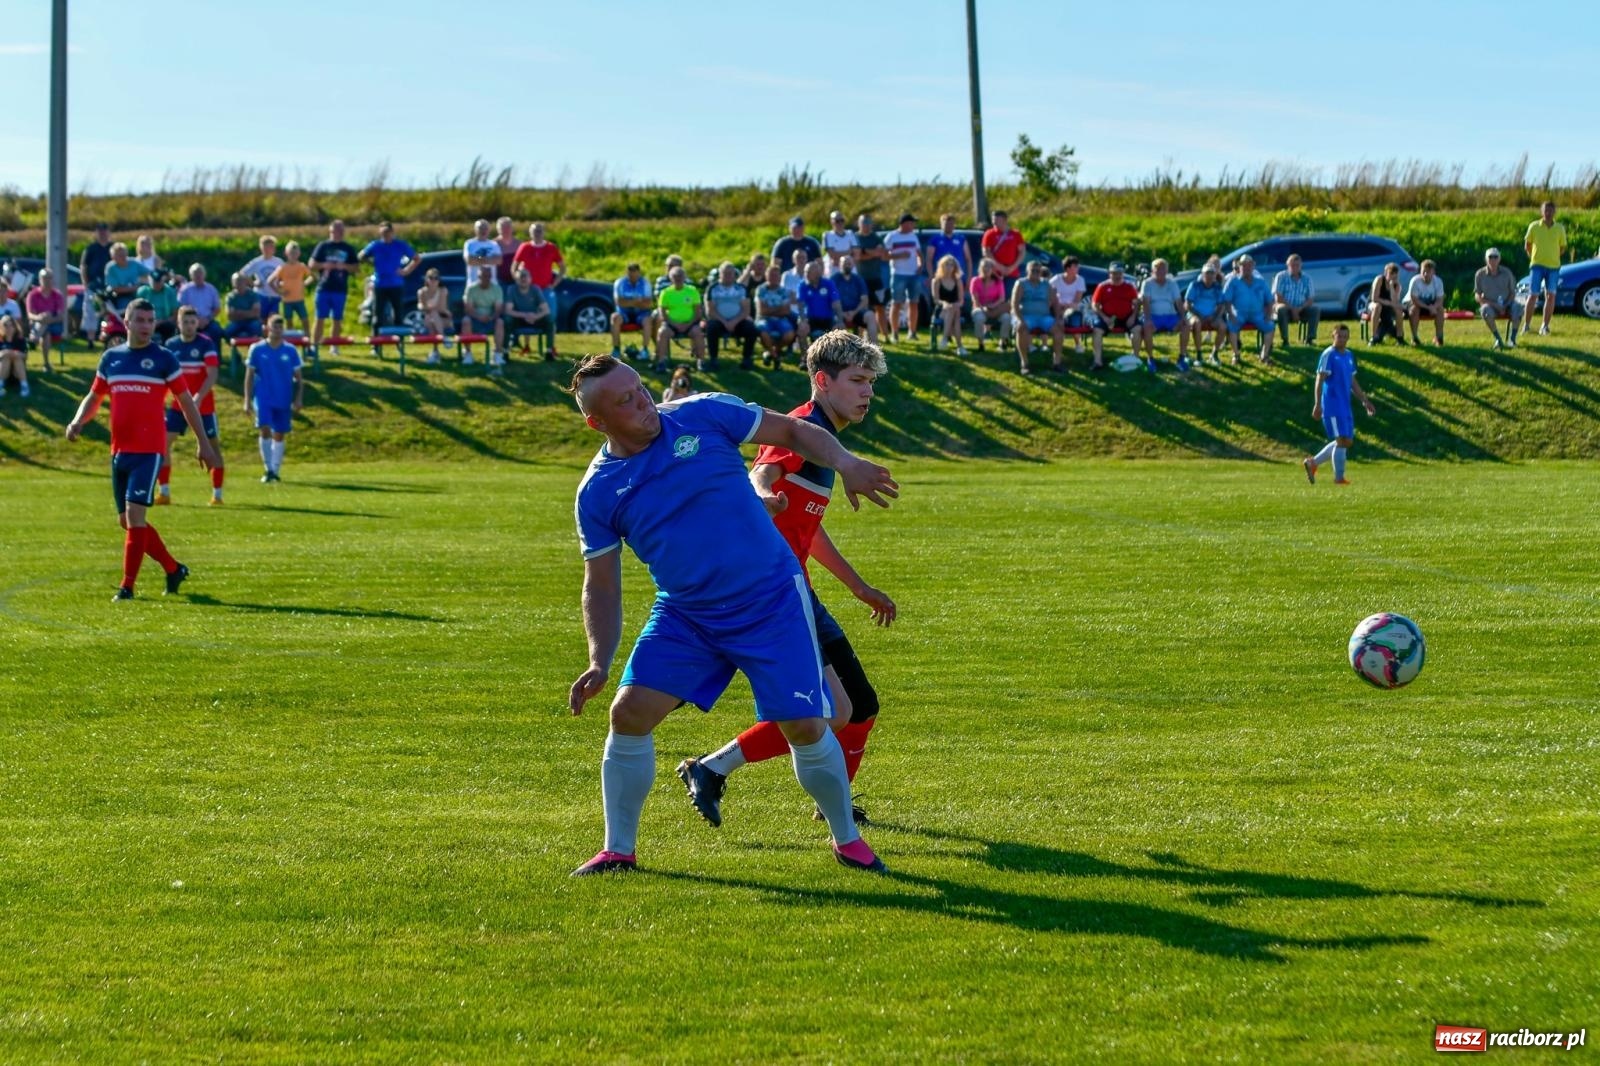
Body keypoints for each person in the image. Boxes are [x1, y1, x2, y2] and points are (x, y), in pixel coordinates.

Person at [564, 353, 898, 876]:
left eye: (641, 389)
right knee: (627, 713)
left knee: (807, 725)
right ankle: (617, 851)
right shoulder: (598, 491)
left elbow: (792, 431)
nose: (643, 403)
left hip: (771, 600)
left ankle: (847, 840)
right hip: (687, 614)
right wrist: (598, 660)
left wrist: (848, 464)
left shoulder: (702, 413)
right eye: (625, 400)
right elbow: (601, 584)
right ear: (597, 421)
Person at [678, 331, 896, 829]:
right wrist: (760, 496)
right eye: (858, 380)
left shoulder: (825, 440)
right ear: (822, 380)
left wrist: (859, 587)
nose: (867, 392)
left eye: (871, 383)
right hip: (774, 594)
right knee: (834, 711)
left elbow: (808, 531)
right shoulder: (801, 427)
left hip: (800, 590)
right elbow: (763, 474)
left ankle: (829, 802)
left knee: (859, 707)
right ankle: (714, 769)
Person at [64, 299, 220, 601]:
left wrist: (202, 442)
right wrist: (77, 420)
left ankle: (127, 587)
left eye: (150, 320)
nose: (147, 326)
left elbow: (186, 402)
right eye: (140, 320)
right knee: (126, 521)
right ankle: (174, 569)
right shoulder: (111, 359)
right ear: (127, 322)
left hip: (149, 451)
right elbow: (94, 396)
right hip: (119, 451)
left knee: (135, 517)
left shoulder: (163, 359)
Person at [156, 306, 226, 506]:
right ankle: (165, 492)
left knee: (213, 449)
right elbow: (164, 377)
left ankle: (217, 495)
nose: (189, 326)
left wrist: (199, 397)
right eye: (185, 322)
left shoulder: (206, 344)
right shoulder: (171, 345)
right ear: (178, 323)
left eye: (192, 322)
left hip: (203, 407)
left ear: (198, 324)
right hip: (178, 407)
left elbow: (212, 374)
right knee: (163, 444)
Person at [1302, 323, 1376, 487]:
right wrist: (1317, 404)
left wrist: (1364, 400)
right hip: (1332, 405)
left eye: (1344, 336)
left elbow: (1352, 381)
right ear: (1333, 336)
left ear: (1348, 337)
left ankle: (1313, 463)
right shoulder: (1328, 355)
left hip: (1345, 405)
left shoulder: (1349, 355)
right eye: (1338, 336)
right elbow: (1319, 379)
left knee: (1347, 441)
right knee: (1341, 439)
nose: (1342, 339)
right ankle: (1339, 478)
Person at [241, 315, 304, 483]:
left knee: (280, 433)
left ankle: (276, 469)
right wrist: (247, 400)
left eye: (280, 327)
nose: (277, 330)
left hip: (283, 397)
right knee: (265, 428)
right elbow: (249, 376)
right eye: (274, 327)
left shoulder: (290, 350)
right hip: (264, 397)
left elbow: (299, 378)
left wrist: (298, 398)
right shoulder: (257, 349)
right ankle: (268, 468)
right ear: (267, 328)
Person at [309, 219, 360, 355]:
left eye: (340, 231)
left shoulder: (348, 248)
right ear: (330, 231)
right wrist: (325, 265)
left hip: (340, 288)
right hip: (324, 287)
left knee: (337, 319)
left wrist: (344, 266)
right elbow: (312, 264)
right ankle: (314, 346)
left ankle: (334, 346)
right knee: (320, 317)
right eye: (335, 231)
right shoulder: (323, 246)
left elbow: (356, 267)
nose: (337, 233)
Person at [358, 222, 419, 329]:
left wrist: (406, 271)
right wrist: (371, 262)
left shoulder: (400, 245)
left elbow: (416, 258)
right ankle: (376, 342)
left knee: (398, 314)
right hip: (380, 283)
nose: (385, 235)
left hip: (396, 283)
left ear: (392, 232)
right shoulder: (375, 245)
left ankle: (399, 341)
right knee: (378, 315)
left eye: (387, 233)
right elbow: (361, 256)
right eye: (383, 233)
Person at [1521, 200, 1567, 338]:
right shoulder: (1534, 226)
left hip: (1554, 267)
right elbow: (1527, 245)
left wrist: (1552, 257)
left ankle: (1545, 326)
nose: (1548, 213)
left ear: (1554, 212)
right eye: (1546, 210)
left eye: (1551, 211)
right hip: (1537, 266)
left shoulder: (1559, 228)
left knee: (1551, 295)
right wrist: (1535, 257)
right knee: (1533, 294)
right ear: (1542, 212)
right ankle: (1526, 325)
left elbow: (1562, 247)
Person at [1012, 259, 1064, 374]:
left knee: (1058, 330)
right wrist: (1020, 320)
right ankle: (1024, 362)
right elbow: (1014, 303)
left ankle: (1057, 362)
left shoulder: (1046, 284)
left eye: (1038, 270)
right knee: (1022, 329)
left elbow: (1055, 302)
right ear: (1027, 271)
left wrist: (1058, 318)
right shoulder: (1021, 283)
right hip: (1027, 316)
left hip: (1044, 317)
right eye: (1033, 270)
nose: (1035, 272)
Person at [511, 222, 565, 328]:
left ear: (544, 232)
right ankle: (526, 343)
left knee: (550, 316)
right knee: (527, 316)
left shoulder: (551, 248)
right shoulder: (524, 247)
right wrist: (519, 282)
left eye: (539, 231)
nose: (537, 233)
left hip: (545, 288)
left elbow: (562, 268)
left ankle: (550, 343)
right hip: (529, 290)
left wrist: (554, 284)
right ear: (530, 233)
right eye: (534, 231)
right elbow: (514, 267)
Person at [704, 262, 757, 370]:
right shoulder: (712, 289)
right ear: (720, 274)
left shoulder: (741, 289)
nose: (728, 276)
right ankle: (713, 359)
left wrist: (734, 321)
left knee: (751, 329)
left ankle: (747, 359)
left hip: (738, 321)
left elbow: (746, 310)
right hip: (719, 321)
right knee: (711, 327)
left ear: (735, 275)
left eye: (731, 273)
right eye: (725, 273)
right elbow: (711, 311)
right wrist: (725, 322)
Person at [1138, 258, 1187, 372]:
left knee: (1186, 326)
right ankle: (1150, 358)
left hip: (1171, 316)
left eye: (1163, 270)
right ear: (1152, 271)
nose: (1160, 272)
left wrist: (1183, 317)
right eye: (1157, 270)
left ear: (1167, 271)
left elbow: (1179, 302)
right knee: (1147, 327)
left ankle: (1182, 357)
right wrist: (1148, 319)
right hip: (1154, 316)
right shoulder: (1147, 283)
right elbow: (1146, 302)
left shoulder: (1172, 283)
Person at [1223, 254, 1274, 363]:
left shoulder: (1260, 282)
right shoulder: (1233, 282)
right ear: (1239, 267)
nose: (1247, 268)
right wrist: (1231, 314)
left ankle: (1264, 355)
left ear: (1253, 266)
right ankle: (1236, 355)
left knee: (1270, 326)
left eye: (1249, 265)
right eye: (1244, 266)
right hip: (1239, 313)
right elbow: (1226, 300)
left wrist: (1269, 315)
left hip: (1258, 314)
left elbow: (1269, 300)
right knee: (1231, 325)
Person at [1090, 262, 1139, 371]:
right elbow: (1094, 304)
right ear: (1109, 274)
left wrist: (1133, 316)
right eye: (1114, 273)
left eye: (1119, 273)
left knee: (1137, 329)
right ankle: (1097, 361)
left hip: (1126, 316)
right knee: (1097, 330)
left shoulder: (1129, 286)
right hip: (1107, 316)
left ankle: (1136, 358)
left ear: (1123, 274)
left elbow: (1136, 303)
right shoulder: (1102, 286)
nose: (1117, 276)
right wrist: (1104, 317)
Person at [654, 266, 704, 371]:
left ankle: (701, 361)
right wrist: (674, 323)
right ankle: (661, 362)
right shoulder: (666, 293)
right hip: (671, 324)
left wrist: (689, 323)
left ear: (685, 277)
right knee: (662, 332)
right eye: (675, 277)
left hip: (690, 324)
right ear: (670, 278)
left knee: (698, 332)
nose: (678, 279)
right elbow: (662, 312)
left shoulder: (692, 291)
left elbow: (698, 311)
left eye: (680, 276)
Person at [884, 213, 924, 343]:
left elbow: (919, 253)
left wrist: (920, 265)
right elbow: (884, 256)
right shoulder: (892, 237)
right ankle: (894, 333)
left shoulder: (913, 236)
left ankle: (912, 332)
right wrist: (899, 255)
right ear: (904, 223)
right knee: (896, 303)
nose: (913, 225)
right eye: (912, 223)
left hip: (913, 275)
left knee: (914, 303)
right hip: (898, 274)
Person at [503, 266, 553, 364]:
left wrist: (535, 316)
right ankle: (505, 352)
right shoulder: (511, 289)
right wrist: (525, 315)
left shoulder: (535, 289)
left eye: (526, 277)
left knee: (549, 319)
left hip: (534, 319)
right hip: (519, 319)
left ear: (530, 279)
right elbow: (508, 310)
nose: (523, 279)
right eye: (521, 277)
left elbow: (546, 310)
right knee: (507, 320)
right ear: (516, 279)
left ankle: (549, 351)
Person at [853, 213, 892, 339]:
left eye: (868, 223)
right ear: (859, 224)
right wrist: (870, 253)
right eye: (864, 223)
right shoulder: (855, 237)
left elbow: (880, 253)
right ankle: (860, 336)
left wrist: (865, 251)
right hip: (861, 279)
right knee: (862, 307)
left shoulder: (876, 237)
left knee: (880, 306)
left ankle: (885, 334)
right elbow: (857, 255)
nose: (866, 226)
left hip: (876, 278)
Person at [1473, 248, 1521, 349]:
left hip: (1507, 303)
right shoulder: (1480, 274)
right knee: (1485, 310)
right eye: (1490, 257)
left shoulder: (1507, 272)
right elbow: (1477, 295)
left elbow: (1513, 292)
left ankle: (1512, 340)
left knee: (1518, 307)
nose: (1493, 259)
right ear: (1486, 259)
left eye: (1496, 257)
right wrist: (1495, 305)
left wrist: (1505, 305)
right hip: (1490, 305)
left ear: (1499, 259)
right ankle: (1498, 339)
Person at [1272, 253, 1319, 350]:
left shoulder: (1307, 278)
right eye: (1292, 265)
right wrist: (1292, 309)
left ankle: (1309, 339)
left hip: (1301, 308)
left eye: (1297, 265)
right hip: (1284, 306)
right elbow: (1278, 297)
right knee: (1281, 309)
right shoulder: (1281, 276)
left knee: (1315, 309)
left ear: (1301, 265)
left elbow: (1310, 298)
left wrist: (1299, 309)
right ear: (1287, 265)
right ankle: (1285, 340)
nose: (1295, 267)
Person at [755, 264, 798, 369]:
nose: (773, 278)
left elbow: (786, 311)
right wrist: (778, 308)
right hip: (764, 319)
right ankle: (776, 357)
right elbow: (762, 310)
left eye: (776, 275)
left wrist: (770, 309)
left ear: (779, 277)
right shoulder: (761, 290)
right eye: (771, 275)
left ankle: (771, 352)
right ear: (766, 276)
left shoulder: (783, 291)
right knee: (763, 332)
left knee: (789, 335)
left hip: (781, 319)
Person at [462, 266, 506, 368]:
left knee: (500, 322)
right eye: (482, 276)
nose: (485, 279)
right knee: (465, 321)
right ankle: (468, 354)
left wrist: (491, 317)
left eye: (487, 276)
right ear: (478, 276)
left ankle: (498, 354)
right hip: (475, 319)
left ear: (490, 277)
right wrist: (478, 317)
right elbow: (468, 309)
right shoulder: (471, 289)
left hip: (491, 319)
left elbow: (498, 309)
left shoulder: (497, 289)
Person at [1184, 263, 1228, 364]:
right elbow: (1187, 305)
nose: (1209, 276)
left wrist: (1216, 316)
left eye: (1212, 273)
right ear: (1203, 274)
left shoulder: (1217, 287)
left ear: (1214, 275)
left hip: (1212, 315)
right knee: (1197, 323)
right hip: (1195, 314)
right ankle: (1199, 355)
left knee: (1223, 327)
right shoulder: (1194, 285)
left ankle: (1214, 354)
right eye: (1207, 273)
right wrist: (1198, 315)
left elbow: (1221, 305)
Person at [610, 262, 655, 358]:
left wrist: (629, 302)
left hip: (641, 313)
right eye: (630, 275)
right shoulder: (620, 283)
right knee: (615, 318)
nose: (633, 277)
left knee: (648, 320)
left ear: (639, 273)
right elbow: (619, 302)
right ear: (627, 273)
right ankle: (616, 350)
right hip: (624, 312)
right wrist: (637, 301)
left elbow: (648, 304)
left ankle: (645, 350)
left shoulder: (645, 283)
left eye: (635, 274)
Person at [25, 268, 67, 371]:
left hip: (55, 324)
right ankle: (46, 363)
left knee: (47, 319)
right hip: (38, 323)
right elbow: (30, 315)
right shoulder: (33, 295)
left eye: (49, 278)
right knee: (46, 333)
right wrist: (40, 317)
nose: (47, 281)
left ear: (52, 280)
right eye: (44, 278)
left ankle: (33, 339)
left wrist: (47, 318)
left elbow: (60, 316)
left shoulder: (57, 295)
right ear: (39, 279)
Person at [969, 257, 1013, 351]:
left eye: (989, 267)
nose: (986, 269)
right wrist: (983, 307)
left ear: (993, 269)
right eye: (984, 267)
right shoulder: (975, 281)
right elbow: (975, 298)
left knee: (1006, 317)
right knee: (978, 317)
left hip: (996, 308)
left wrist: (993, 306)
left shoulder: (998, 281)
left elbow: (1002, 298)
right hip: (980, 308)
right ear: (980, 268)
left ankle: (1003, 342)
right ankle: (981, 343)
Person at [269, 242, 314, 331]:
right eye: (291, 253)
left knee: (305, 320)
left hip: (299, 299)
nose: (293, 255)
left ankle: (308, 340)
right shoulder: (282, 267)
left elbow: (313, 277)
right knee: (288, 321)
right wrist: (279, 292)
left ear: (299, 254)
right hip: (287, 300)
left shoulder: (302, 266)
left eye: (295, 253)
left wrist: (304, 284)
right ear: (286, 254)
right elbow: (270, 281)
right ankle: (291, 340)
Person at [1048, 256, 1088, 356]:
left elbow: (1077, 299)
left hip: (1073, 307)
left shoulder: (1080, 280)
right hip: (1057, 306)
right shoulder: (1057, 279)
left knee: (1073, 314)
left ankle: (1078, 344)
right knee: (1056, 312)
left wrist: (1067, 306)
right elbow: (1048, 291)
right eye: (1075, 266)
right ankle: (1057, 344)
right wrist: (1058, 304)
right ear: (1068, 268)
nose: (1078, 268)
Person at [797, 260, 842, 346]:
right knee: (802, 328)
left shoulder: (829, 284)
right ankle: (805, 357)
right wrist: (803, 320)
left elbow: (836, 303)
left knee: (839, 329)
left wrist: (840, 320)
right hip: (810, 319)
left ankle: (834, 357)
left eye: (809, 272)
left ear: (817, 272)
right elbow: (800, 305)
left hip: (828, 318)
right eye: (805, 272)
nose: (806, 274)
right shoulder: (803, 285)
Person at [239, 236, 284, 322]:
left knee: (273, 320)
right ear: (262, 248)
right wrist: (253, 283)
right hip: (261, 295)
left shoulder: (279, 262)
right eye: (268, 247)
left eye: (272, 246)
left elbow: (285, 276)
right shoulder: (257, 262)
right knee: (260, 320)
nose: (271, 249)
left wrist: (281, 284)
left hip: (275, 295)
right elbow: (242, 274)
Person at [833, 255, 876, 343]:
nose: (847, 265)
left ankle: (873, 348)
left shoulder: (858, 279)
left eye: (849, 263)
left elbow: (865, 300)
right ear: (839, 265)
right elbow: (831, 300)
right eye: (844, 263)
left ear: (853, 265)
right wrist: (842, 313)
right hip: (839, 313)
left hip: (856, 312)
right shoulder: (833, 280)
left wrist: (854, 312)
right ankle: (841, 351)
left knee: (870, 315)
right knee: (836, 321)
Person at [178, 264, 223, 344]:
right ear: (191, 276)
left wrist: (207, 319)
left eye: (200, 273)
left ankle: (215, 355)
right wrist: (195, 320)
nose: (198, 276)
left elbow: (217, 308)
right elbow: (181, 308)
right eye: (195, 273)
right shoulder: (185, 290)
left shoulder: (211, 289)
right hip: (189, 320)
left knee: (216, 330)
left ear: (204, 274)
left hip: (208, 320)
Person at [930, 254, 967, 355]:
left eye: (951, 265)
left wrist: (956, 305)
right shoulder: (936, 281)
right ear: (942, 266)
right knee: (953, 313)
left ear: (955, 267)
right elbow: (936, 299)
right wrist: (944, 303)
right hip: (941, 309)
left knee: (954, 309)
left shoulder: (957, 281)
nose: (949, 267)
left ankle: (945, 338)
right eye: (947, 265)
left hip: (955, 308)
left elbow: (961, 300)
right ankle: (960, 347)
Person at [1404, 260, 1447, 346]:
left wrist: (1434, 307)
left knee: (1440, 310)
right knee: (1414, 309)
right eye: (1423, 271)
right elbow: (1414, 300)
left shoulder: (1438, 282)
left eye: (1428, 272)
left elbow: (1440, 299)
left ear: (1433, 272)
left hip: (1430, 304)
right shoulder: (1415, 281)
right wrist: (1429, 308)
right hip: (1412, 303)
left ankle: (1439, 337)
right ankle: (1415, 337)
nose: (1425, 274)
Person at [980, 210, 1025, 290]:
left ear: (1005, 220)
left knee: (1010, 298)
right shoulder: (989, 234)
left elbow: (1022, 252)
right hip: (993, 273)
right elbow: (986, 252)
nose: (995, 224)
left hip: (1012, 273)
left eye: (997, 221)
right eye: (993, 221)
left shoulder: (1015, 234)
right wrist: (1000, 267)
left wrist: (1012, 267)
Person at [417, 269, 454, 362]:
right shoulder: (422, 292)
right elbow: (420, 306)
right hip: (429, 320)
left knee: (433, 316)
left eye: (436, 278)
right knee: (431, 319)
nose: (433, 280)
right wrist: (425, 308)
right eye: (431, 278)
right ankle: (443, 338)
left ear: (439, 280)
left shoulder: (443, 291)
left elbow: (442, 308)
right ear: (426, 279)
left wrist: (428, 308)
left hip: (444, 319)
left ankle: (435, 352)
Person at [1366, 263, 1405, 346]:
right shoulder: (1379, 280)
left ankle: (1400, 337)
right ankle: (1374, 336)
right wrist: (1388, 302)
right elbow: (1374, 298)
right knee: (1377, 306)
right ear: (1386, 273)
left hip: (1388, 306)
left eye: (1395, 275)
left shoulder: (1397, 285)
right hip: (1374, 304)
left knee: (1398, 310)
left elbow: (1395, 301)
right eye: (1390, 274)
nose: (1392, 277)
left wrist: (1391, 287)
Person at [135, 269, 180, 341]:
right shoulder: (142, 292)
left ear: (163, 280)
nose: (156, 284)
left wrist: (161, 321)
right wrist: (150, 321)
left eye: (158, 281)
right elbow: (136, 311)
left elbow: (175, 314)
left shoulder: (170, 292)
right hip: (146, 321)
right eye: (154, 282)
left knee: (169, 327)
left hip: (164, 322)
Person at [104, 243, 149, 313]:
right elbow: (116, 289)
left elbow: (149, 273)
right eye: (120, 256)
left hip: (138, 294)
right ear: (113, 257)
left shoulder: (133, 263)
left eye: (124, 254)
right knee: (128, 312)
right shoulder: (110, 268)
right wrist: (134, 288)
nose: (123, 257)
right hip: (121, 297)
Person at [925, 213, 971, 282]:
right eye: (946, 224)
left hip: (959, 277)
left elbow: (968, 259)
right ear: (941, 225)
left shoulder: (961, 239)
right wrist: (931, 275)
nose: (949, 226)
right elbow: (929, 259)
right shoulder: (935, 240)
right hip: (941, 277)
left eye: (951, 224)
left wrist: (969, 278)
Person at [222, 273, 263, 341]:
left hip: (251, 321)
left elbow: (256, 313)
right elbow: (229, 315)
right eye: (236, 281)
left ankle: (253, 347)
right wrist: (248, 313)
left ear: (245, 282)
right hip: (236, 322)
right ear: (233, 283)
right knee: (227, 332)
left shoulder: (253, 295)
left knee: (256, 328)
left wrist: (238, 312)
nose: (239, 283)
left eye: (241, 281)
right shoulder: (230, 297)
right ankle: (234, 350)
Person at [463, 219, 502, 284]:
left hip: (492, 284)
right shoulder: (469, 244)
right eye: (480, 228)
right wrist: (489, 259)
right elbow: (469, 260)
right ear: (475, 229)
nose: (483, 230)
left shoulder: (494, 244)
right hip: (474, 284)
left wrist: (477, 258)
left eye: (485, 228)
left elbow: (499, 260)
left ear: (489, 230)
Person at [821, 211, 858, 277]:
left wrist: (839, 256)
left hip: (851, 270)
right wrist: (849, 252)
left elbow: (857, 253)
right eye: (837, 221)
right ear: (831, 222)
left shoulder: (851, 233)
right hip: (834, 270)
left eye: (842, 220)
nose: (840, 223)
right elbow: (832, 255)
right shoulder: (828, 235)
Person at [80, 224, 113, 294]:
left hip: (112, 284)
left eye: (104, 232)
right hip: (94, 284)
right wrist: (85, 284)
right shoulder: (90, 248)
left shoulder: (114, 247)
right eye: (100, 232)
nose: (102, 234)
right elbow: (83, 266)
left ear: (108, 233)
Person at [0, 314, 28, 399]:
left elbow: (25, 356)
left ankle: (24, 386)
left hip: (17, 372)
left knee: (17, 358)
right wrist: (4, 353)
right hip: (3, 371)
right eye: (6, 326)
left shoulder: (20, 339)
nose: (8, 328)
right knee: (6, 358)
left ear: (15, 326)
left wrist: (14, 353)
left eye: (10, 325)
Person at [493, 217, 520, 285]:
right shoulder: (492, 244)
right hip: (498, 280)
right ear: (498, 229)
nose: (505, 229)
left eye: (508, 227)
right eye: (503, 227)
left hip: (516, 280)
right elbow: (481, 256)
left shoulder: (519, 244)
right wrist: (479, 258)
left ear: (512, 228)